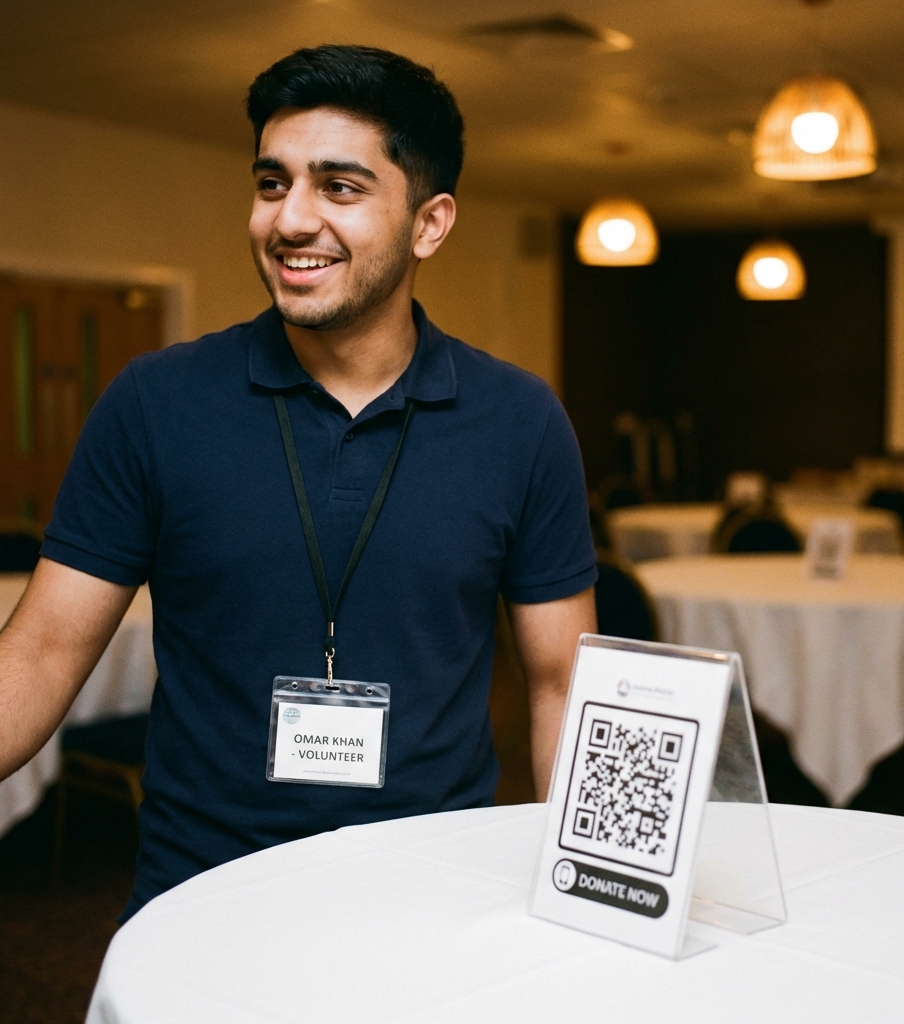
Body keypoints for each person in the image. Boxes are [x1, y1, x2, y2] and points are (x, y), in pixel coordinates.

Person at [0, 45, 596, 920]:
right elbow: (42, 650)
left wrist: (581, 897)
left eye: (339, 187)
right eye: (272, 183)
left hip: (437, 896)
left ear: (429, 223)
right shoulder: (157, 402)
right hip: (202, 897)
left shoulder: (520, 420)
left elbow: (559, 685)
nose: (290, 219)